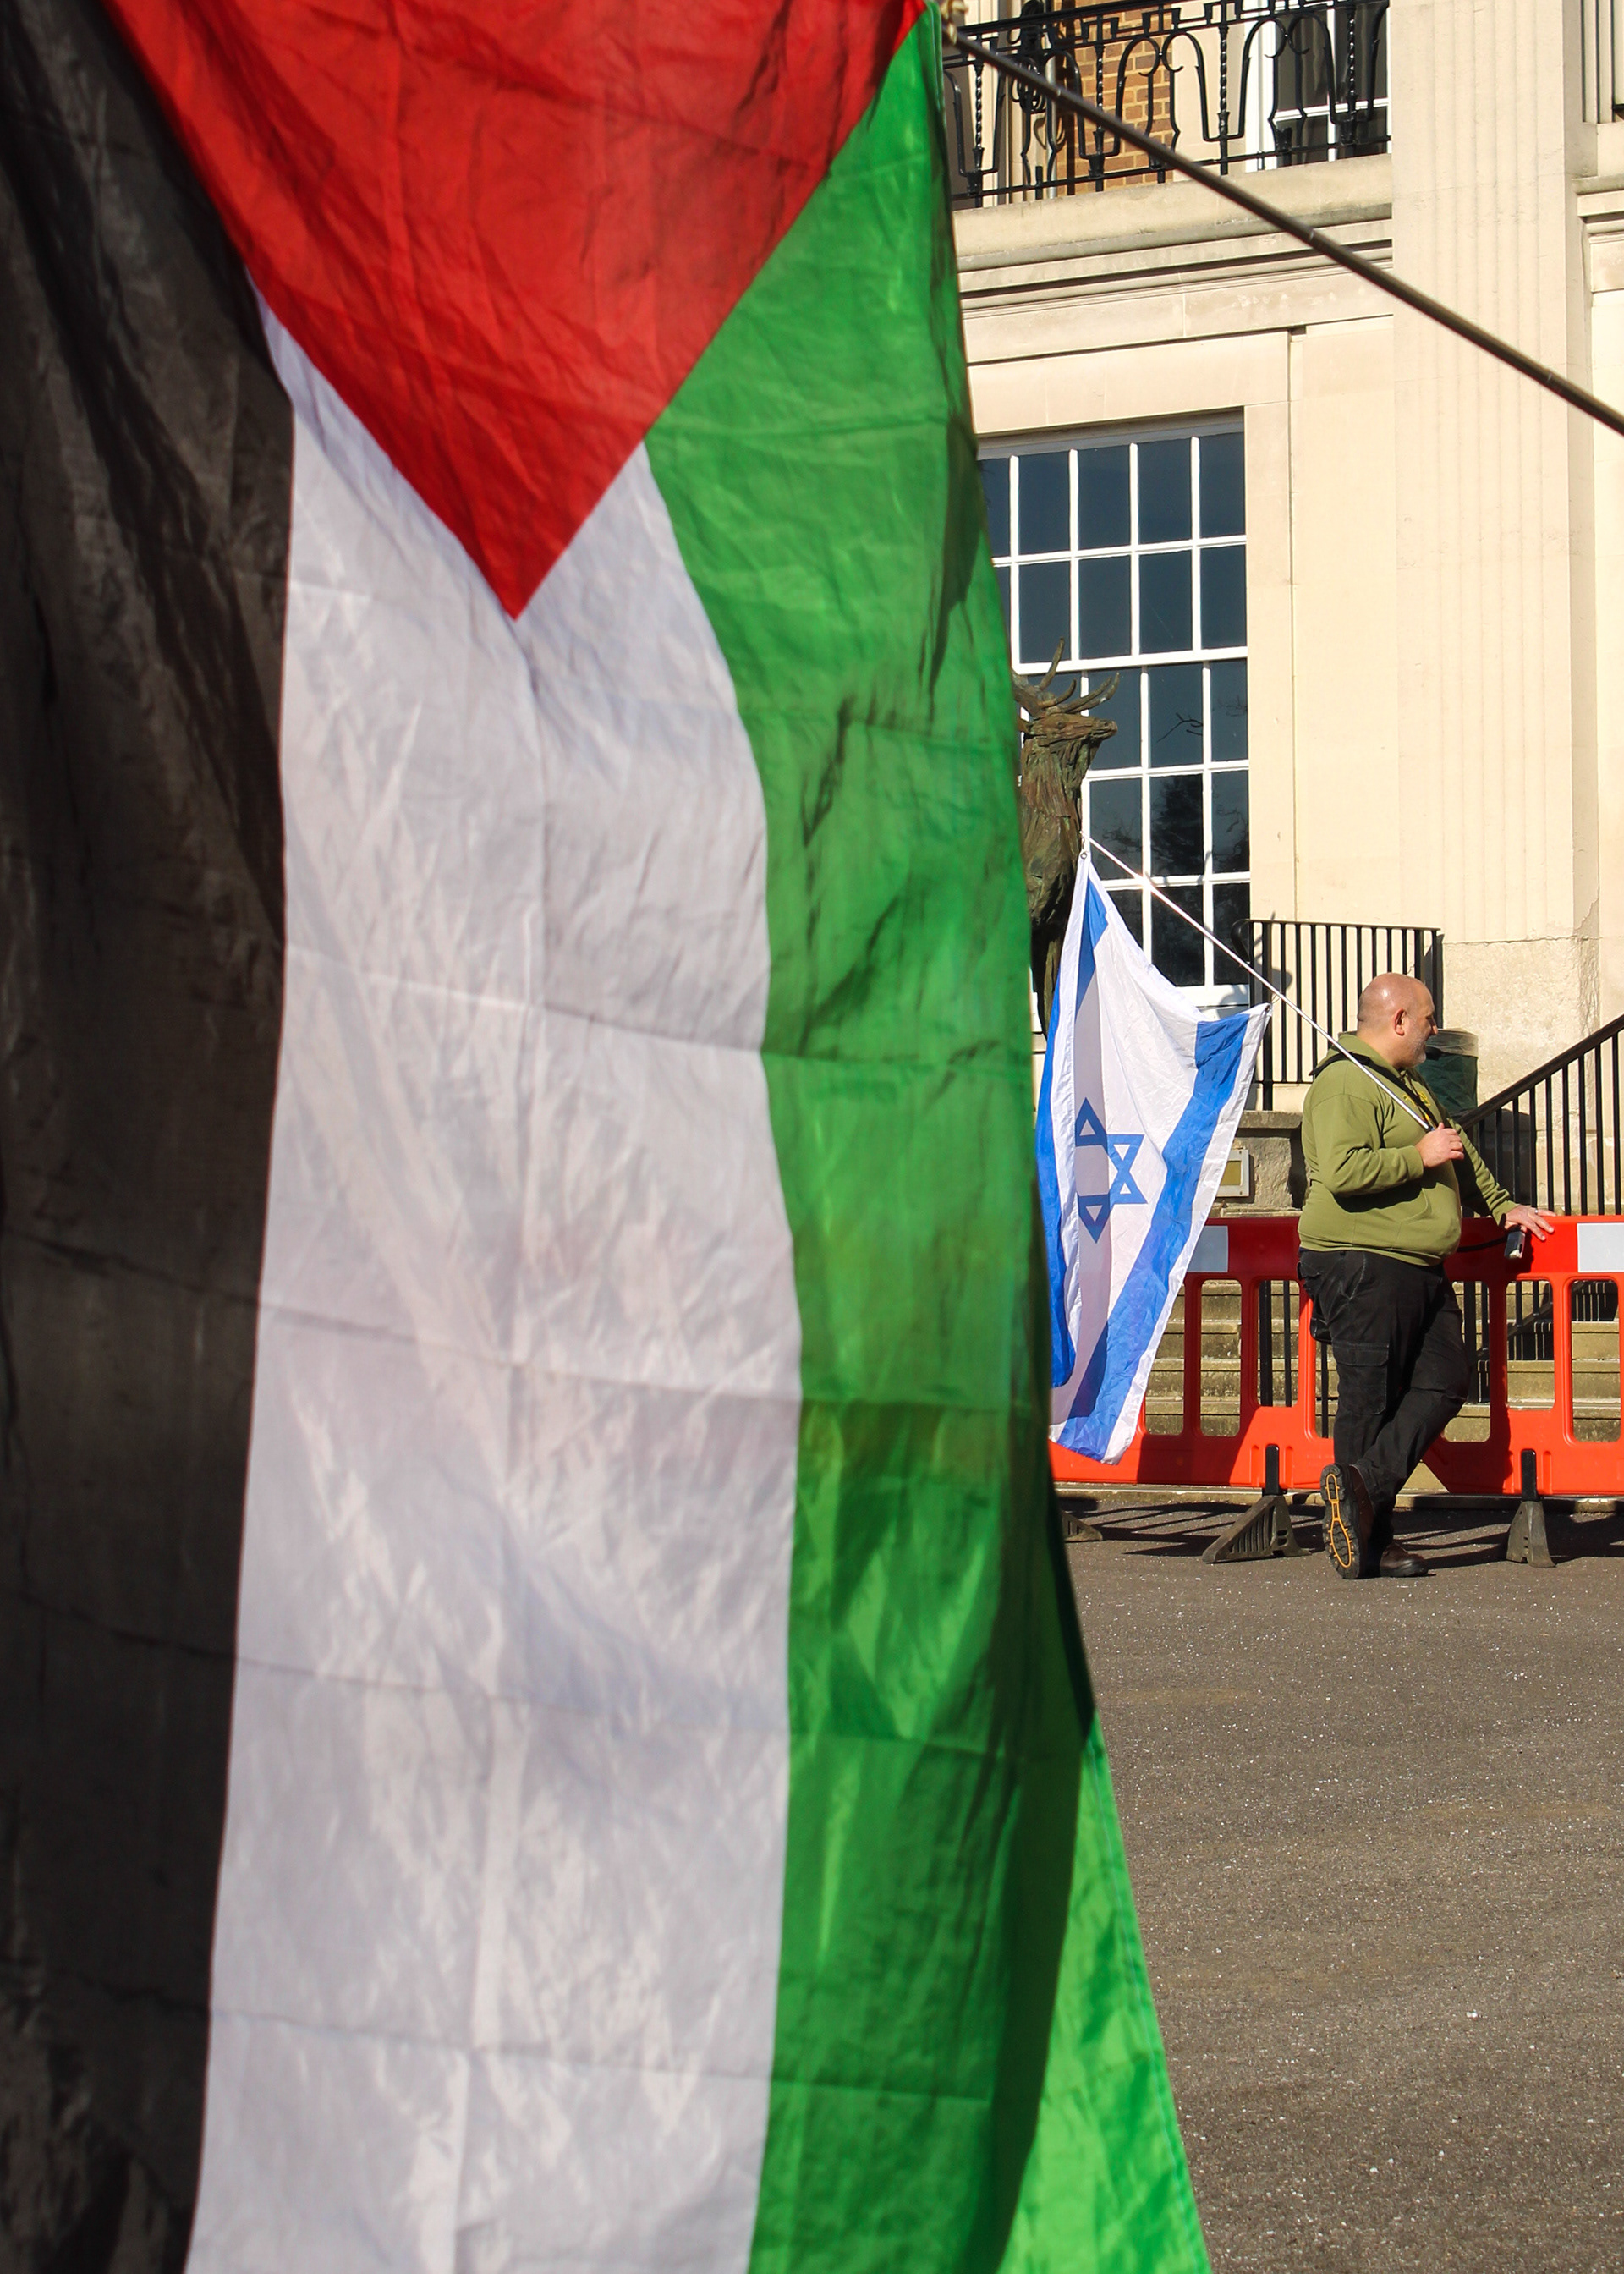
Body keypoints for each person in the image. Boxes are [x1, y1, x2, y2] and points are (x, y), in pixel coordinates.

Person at [1298, 974, 1554, 1579]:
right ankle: (1369, 1539)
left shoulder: (1408, 1083)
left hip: (1413, 1261)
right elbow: (1343, 1170)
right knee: (1370, 1397)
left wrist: (1501, 1205)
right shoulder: (1344, 1083)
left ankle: (1360, 1489)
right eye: (1429, 1018)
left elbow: (1458, 1147)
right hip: (1362, 1258)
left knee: (1445, 1380)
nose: (1435, 1030)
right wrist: (1419, 1156)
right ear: (1400, 1021)